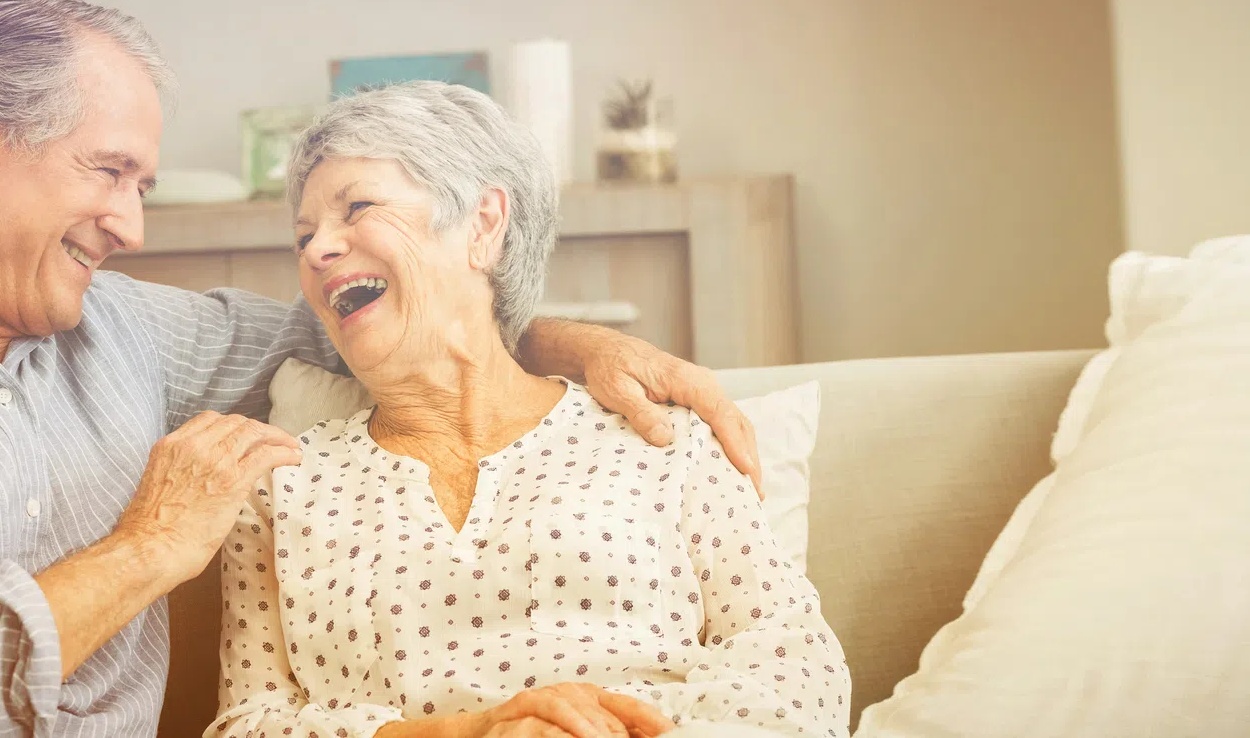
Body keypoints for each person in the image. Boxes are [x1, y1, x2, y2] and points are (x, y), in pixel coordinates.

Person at [0, 0, 758, 736]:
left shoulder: (116, 327)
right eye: (110, 171)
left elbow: (379, 321)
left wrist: (570, 340)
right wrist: (146, 548)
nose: (131, 223)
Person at [209, 82, 849, 738]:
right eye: (304, 235)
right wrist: (472, 733)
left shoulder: (661, 439)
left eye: (357, 208)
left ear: (483, 225)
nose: (317, 250)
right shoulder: (279, 487)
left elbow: (796, 673)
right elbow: (246, 726)